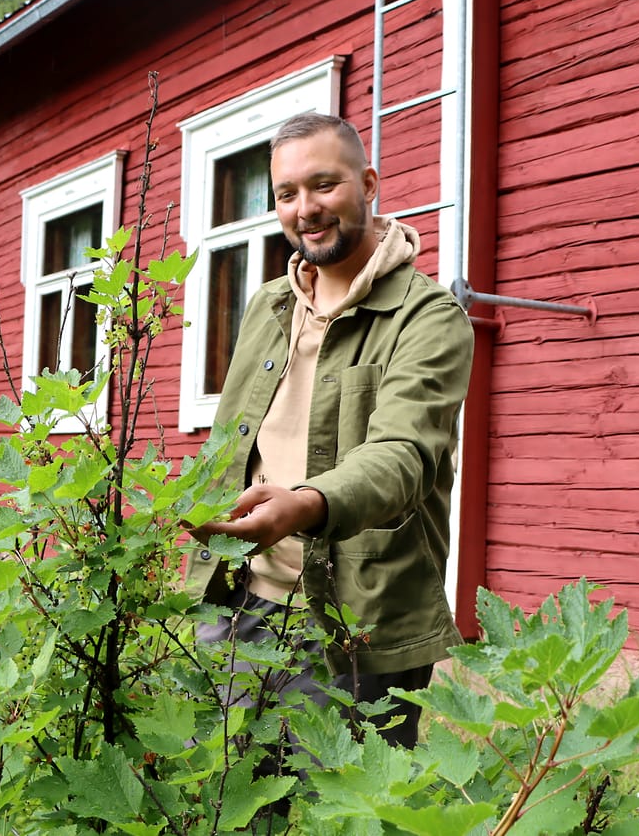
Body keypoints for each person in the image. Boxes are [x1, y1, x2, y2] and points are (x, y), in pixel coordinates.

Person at [186, 111, 474, 749]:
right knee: (226, 798)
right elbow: (232, 440)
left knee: (342, 810)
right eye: (287, 194)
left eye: (324, 185)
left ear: (368, 184)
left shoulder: (428, 317)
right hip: (237, 597)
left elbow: (404, 456)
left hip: (356, 622)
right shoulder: (268, 304)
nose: (305, 209)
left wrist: (304, 506)